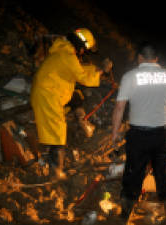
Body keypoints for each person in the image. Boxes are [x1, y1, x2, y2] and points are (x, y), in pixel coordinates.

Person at [111, 43, 166, 225]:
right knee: (165, 173)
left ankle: (125, 215)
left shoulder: (130, 77)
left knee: (133, 173)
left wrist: (115, 132)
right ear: (157, 58)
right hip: (164, 135)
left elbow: (120, 107)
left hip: (138, 135)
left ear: (139, 58)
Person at [31, 28, 104, 179]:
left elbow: (78, 68)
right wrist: (101, 71)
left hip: (50, 92)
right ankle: (56, 172)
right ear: (79, 46)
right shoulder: (67, 56)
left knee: (74, 101)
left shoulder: (64, 52)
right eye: (84, 50)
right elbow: (83, 77)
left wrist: (95, 69)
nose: (83, 53)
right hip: (48, 95)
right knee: (58, 132)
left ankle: (49, 156)